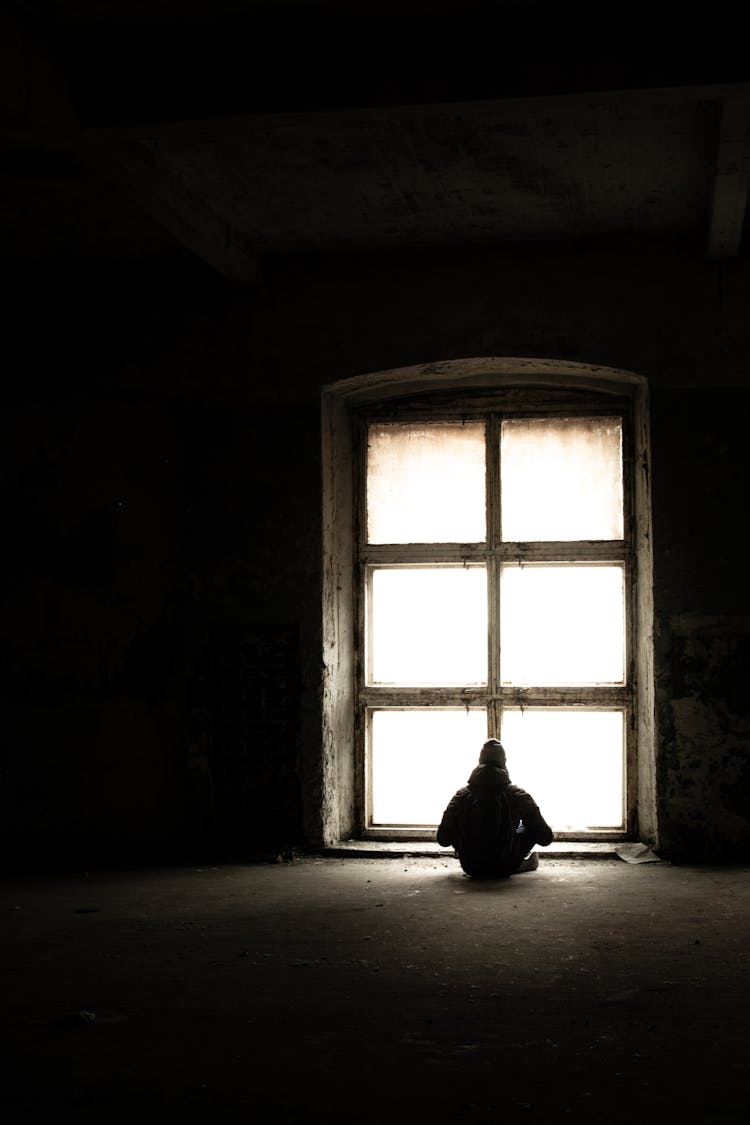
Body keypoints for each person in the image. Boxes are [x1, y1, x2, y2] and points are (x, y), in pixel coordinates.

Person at [437, 738, 554, 877]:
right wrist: (517, 828)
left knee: (457, 822)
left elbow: (443, 839)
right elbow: (545, 838)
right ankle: (518, 861)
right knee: (530, 825)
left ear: (479, 762)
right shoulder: (518, 795)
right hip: (506, 866)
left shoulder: (462, 796)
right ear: (504, 763)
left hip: (471, 867)